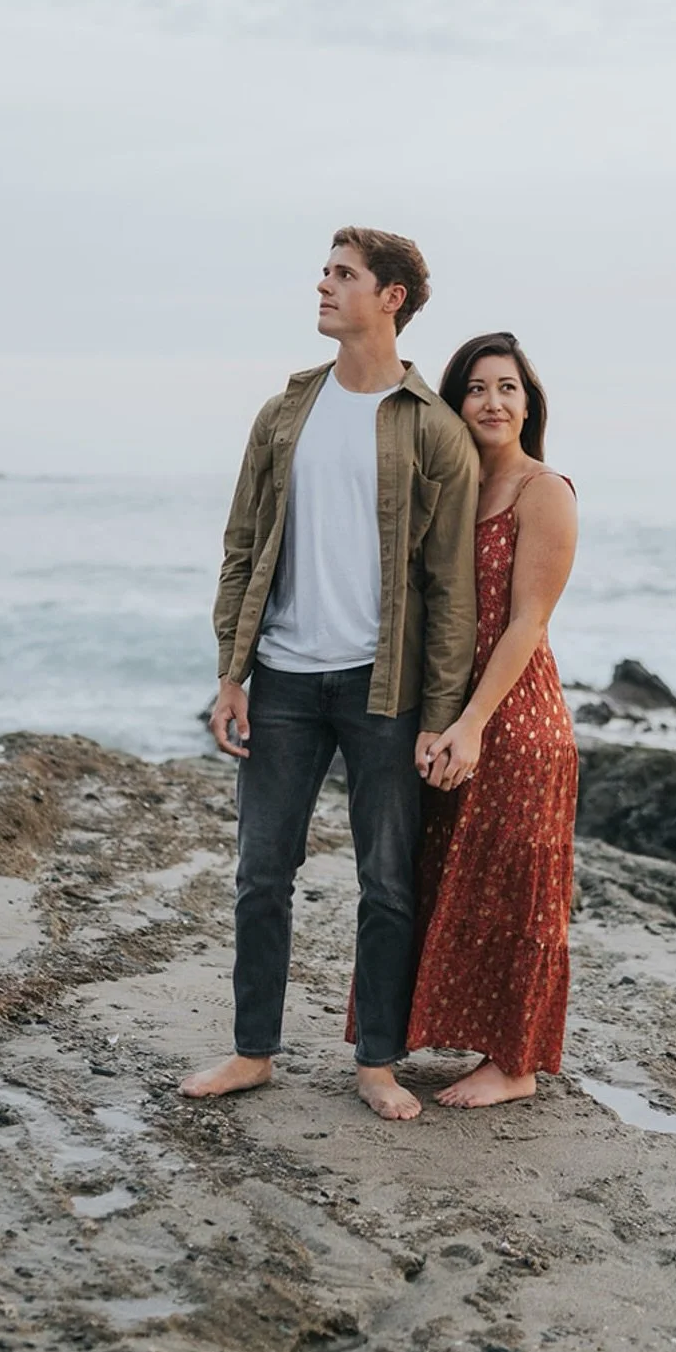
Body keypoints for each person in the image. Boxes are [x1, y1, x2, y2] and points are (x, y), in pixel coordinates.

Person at [179, 230, 478, 1121]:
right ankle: (252, 1051)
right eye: (326, 271)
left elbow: (448, 589)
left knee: (386, 881)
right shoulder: (284, 413)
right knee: (260, 875)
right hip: (280, 681)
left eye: (342, 275)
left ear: (390, 297)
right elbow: (242, 549)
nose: (322, 285)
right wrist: (231, 673)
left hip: (380, 689)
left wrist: (440, 711)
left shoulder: (435, 429)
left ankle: (377, 1063)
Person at [404, 333, 579, 1108]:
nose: (493, 402)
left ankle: (515, 1064)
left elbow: (526, 625)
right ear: (455, 402)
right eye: (476, 389)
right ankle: (452, 1036)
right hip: (450, 714)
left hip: (514, 719)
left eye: (508, 388)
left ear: (529, 403)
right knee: (447, 879)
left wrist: (472, 723)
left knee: (516, 892)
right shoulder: (453, 490)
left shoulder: (545, 490)